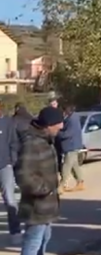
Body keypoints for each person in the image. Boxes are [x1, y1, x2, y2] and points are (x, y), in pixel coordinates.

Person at [16, 107, 63, 255]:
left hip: (46, 205)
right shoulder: (32, 144)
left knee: (44, 238)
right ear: (48, 125)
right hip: (37, 206)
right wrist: (45, 189)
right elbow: (24, 176)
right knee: (33, 242)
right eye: (58, 124)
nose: (61, 127)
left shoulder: (46, 141)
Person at [0, 103, 20, 244]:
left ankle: (15, 231)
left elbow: (14, 143)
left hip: (4, 166)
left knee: (9, 199)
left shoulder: (8, 123)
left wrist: (11, 161)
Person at [57, 105, 85, 193]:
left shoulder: (72, 119)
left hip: (71, 145)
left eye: (64, 110)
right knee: (74, 165)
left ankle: (61, 185)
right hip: (73, 145)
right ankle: (80, 182)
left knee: (67, 165)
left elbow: (68, 133)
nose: (63, 112)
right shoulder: (72, 118)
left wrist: (58, 133)